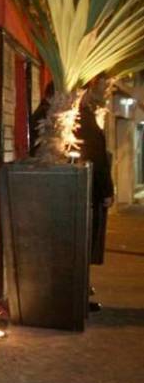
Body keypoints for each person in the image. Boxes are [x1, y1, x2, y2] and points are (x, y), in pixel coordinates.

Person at [77, 76, 114, 267]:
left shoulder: (83, 117)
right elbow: (98, 157)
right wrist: (107, 191)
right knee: (86, 239)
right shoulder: (84, 119)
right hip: (87, 192)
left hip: (83, 190)